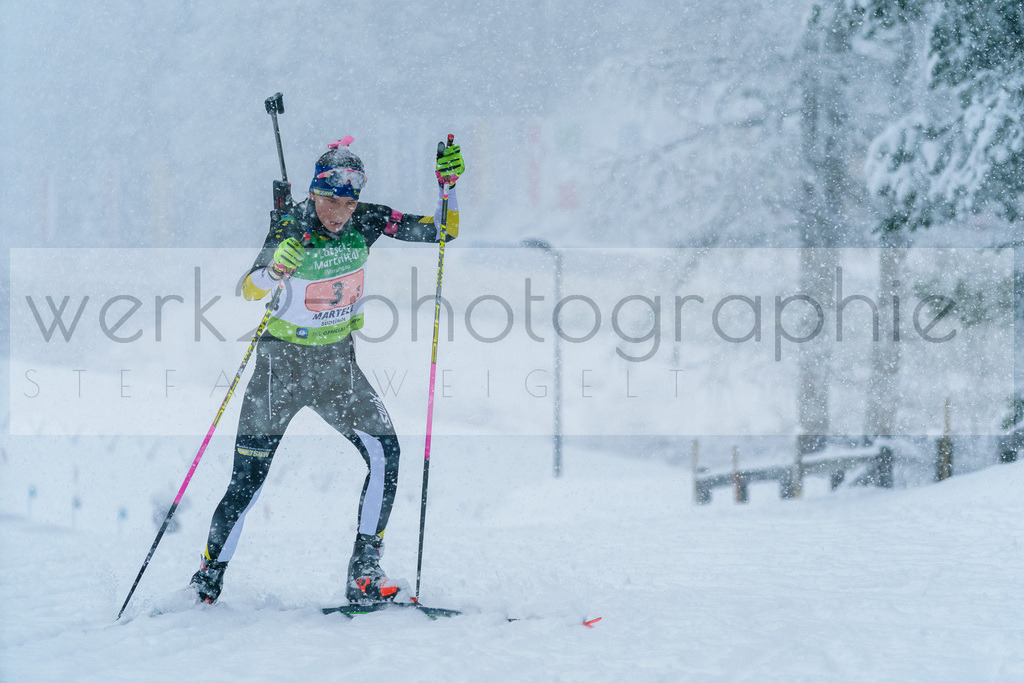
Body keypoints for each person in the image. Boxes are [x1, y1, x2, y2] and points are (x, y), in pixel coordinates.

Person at [189, 137, 465, 605]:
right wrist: (275, 270)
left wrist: (448, 187)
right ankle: (208, 579)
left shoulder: (367, 219)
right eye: (330, 200)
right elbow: (249, 289)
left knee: (386, 454)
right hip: (281, 367)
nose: (339, 212)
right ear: (313, 193)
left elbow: (442, 231)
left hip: (337, 368)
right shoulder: (290, 223)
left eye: (348, 201)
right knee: (247, 481)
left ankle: (364, 574)